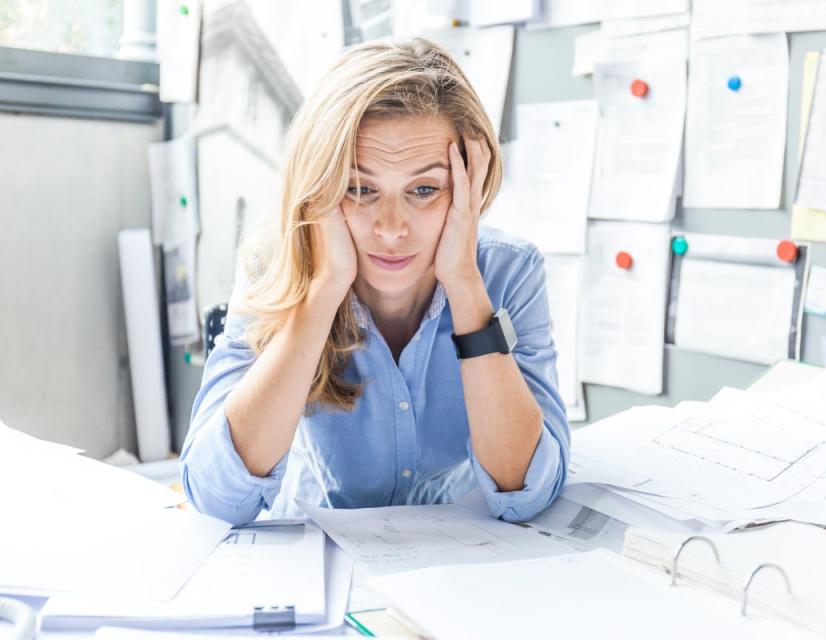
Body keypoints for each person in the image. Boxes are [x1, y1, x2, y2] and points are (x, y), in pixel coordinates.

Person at [179, 37, 570, 527]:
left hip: (454, 559)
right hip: (309, 550)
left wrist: (466, 284)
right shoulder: (271, 265)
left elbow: (525, 494)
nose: (390, 228)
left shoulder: (509, 273)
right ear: (319, 186)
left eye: (424, 190)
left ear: (471, 184)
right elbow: (218, 497)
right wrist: (323, 291)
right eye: (360, 189)